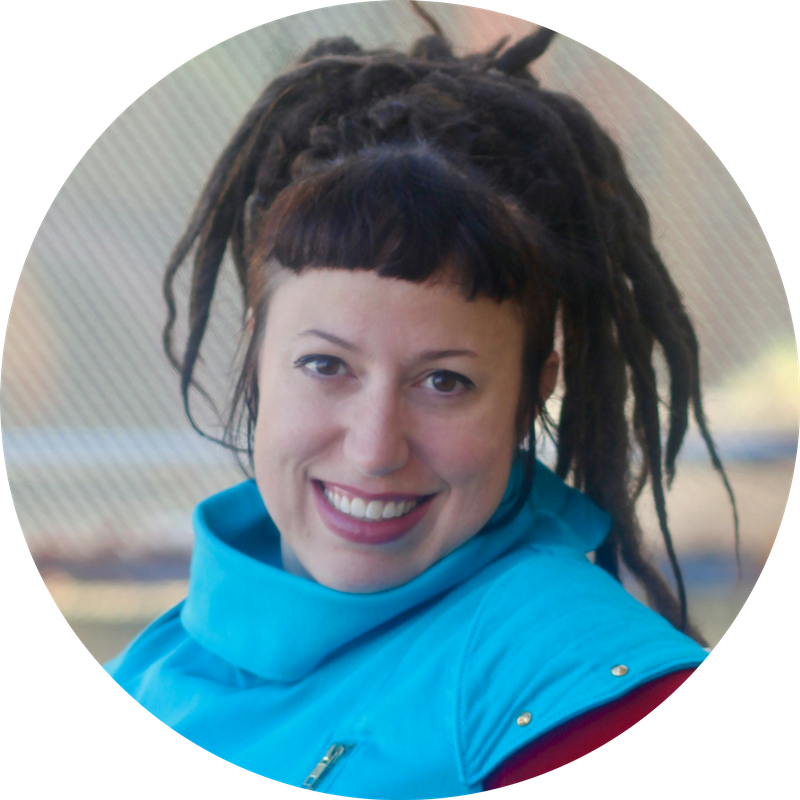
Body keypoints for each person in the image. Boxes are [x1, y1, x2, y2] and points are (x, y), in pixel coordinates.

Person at [104, 17, 737, 794]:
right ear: (256, 355)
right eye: (326, 365)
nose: (375, 449)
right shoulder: (160, 660)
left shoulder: (574, 681)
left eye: (444, 382)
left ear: (531, 394)